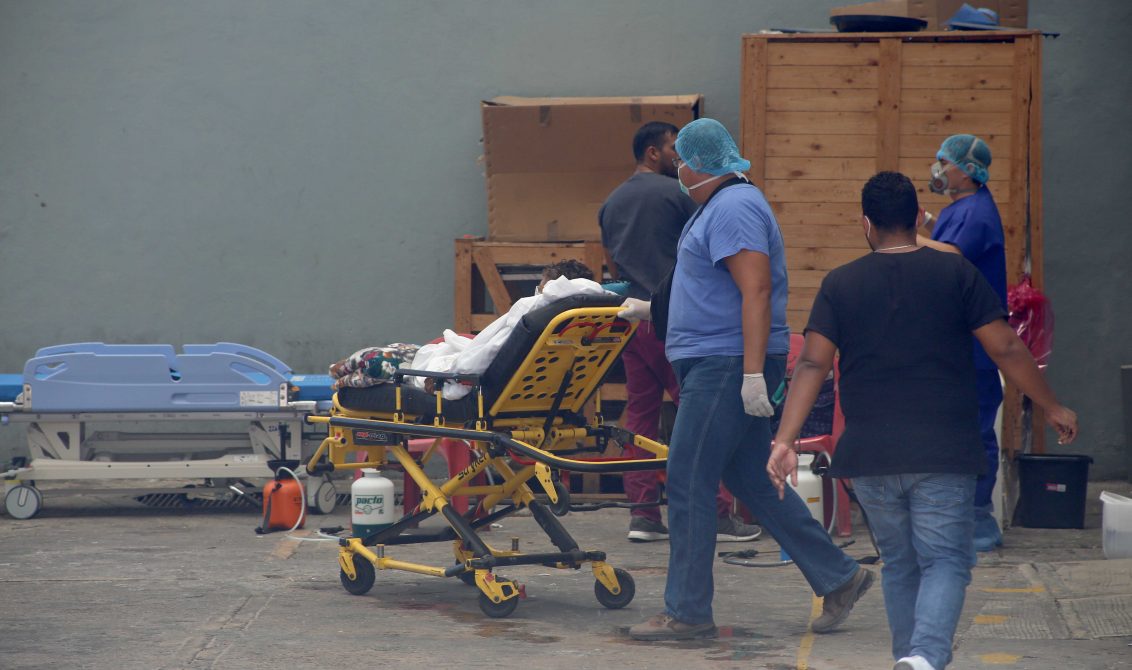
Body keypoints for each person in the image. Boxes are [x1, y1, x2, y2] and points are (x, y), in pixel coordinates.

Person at [769, 172, 1078, 670]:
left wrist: (784, 440)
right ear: (917, 218)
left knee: (901, 564)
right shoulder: (955, 275)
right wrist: (1050, 405)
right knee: (946, 561)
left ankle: (909, 658)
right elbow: (1005, 346)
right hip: (941, 451)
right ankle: (925, 657)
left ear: (865, 224)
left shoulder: (840, 283)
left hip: (869, 456)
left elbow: (811, 364)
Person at [620, 118, 871, 642]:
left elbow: (754, 291)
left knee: (688, 480)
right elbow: (713, 287)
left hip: (724, 366)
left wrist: (752, 374)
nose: (678, 169)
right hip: (718, 361)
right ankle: (838, 576)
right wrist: (655, 311)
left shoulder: (733, 207)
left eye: (681, 160)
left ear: (697, 163)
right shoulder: (716, 207)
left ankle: (687, 612)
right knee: (751, 480)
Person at [599, 121, 761, 544]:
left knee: (640, 419)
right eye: (676, 149)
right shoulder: (681, 195)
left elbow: (613, 261)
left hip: (630, 320)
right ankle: (719, 513)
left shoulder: (611, 202)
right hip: (675, 322)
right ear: (654, 153)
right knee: (704, 416)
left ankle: (643, 514)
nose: (682, 159)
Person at [915, 134, 1007, 552]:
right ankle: (957, 515)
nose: (938, 169)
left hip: (976, 344)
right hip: (957, 342)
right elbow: (949, 238)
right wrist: (927, 223)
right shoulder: (964, 209)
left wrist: (903, 238)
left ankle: (978, 519)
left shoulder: (979, 213)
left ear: (968, 171)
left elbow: (952, 255)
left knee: (977, 430)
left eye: (944, 162)